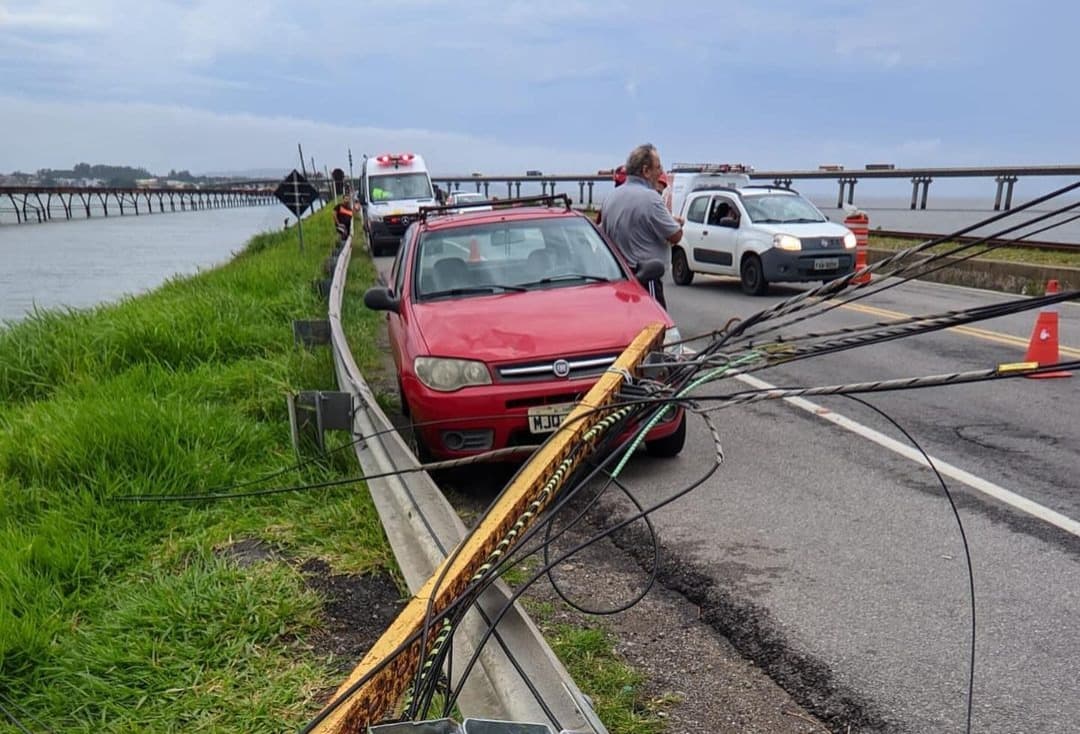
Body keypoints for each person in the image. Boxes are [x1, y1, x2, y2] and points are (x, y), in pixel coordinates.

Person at [600, 144, 683, 308]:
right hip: (646, 278)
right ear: (646, 171)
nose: (661, 173)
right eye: (658, 167)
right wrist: (677, 223)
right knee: (655, 326)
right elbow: (675, 236)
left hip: (619, 277)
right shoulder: (651, 198)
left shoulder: (612, 197)